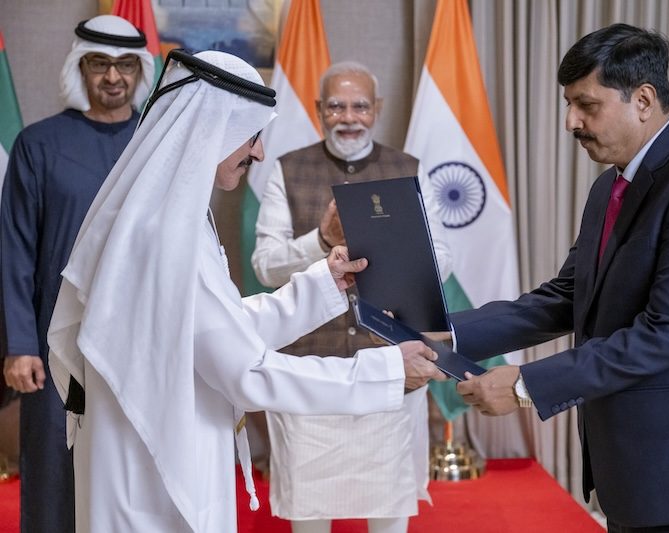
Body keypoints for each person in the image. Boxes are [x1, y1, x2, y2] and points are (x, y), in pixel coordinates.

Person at [46, 49, 443, 533]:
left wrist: (323, 284)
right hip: (153, 478)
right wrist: (382, 371)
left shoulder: (164, 217)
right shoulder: (166, 234)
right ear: (213, 130)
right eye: (252, 136)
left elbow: (217, 329)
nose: (257, 152)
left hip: (162, 451)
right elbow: (245, 371)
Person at [454, 23, 669, 532]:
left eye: (586, 105)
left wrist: (526, 386)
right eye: (568, 104)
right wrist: (444, 332)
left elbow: (668, 332)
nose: (569, 122)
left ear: (643, 100)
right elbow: (566, 299)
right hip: (634, 464)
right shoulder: (611, 186)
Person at [251, 61, 452, 533]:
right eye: (337, 106)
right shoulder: (287, 169)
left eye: (360, 106)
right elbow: (264, 265)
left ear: (376, 110)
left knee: (388, 503)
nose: (349, 116)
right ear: (320, 110)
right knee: (310, 509)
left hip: (389, 362)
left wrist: (391, 255)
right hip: (308, 369)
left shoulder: (408, 169)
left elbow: (441, 256)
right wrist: (319, 244)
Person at [0, 15, 155, 533]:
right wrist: (20, 344)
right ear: (80, 69)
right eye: (100, 64)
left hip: (142, 344)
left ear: (141, 71)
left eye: (125, 65)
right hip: (53, 342)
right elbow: (15, 251)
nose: (113, 77)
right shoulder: (38, 145)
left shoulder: (159, 144)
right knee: (51, 475)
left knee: (134, 476)